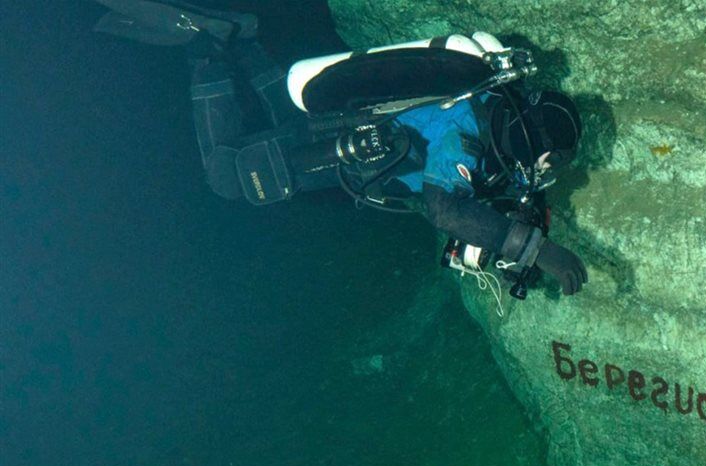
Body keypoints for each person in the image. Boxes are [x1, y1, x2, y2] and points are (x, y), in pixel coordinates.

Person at [91, 0, 588, 296]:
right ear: (532, 138)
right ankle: (202, 45)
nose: (545, 172)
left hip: (345, 128)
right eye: (551, 160)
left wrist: (524, 238)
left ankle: (239, 42)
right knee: (229, 175)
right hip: (341, 150)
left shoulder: (491, 104)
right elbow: (443, 208)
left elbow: (510, 192)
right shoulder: (463, 131)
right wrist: (537, 250)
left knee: (287, 117)